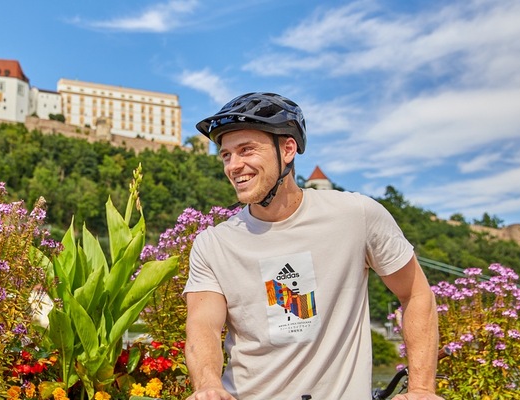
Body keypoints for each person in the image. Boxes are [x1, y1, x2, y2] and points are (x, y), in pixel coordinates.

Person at [183, 92, 442, 399]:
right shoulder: (214, 243)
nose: (234, 166)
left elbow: (414, 293)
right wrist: (209, 385)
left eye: (246, 150)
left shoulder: (356, 215)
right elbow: (204, 328)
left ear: (288, 148)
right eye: (226, 155)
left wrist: (422, 389)